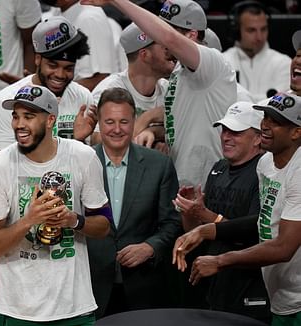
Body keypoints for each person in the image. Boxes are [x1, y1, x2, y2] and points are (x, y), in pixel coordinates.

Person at [0, 84, 112, 326]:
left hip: (76, 305)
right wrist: (29, 220)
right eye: (16, 116)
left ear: (51, 120)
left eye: (29, 117)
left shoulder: (83, 157)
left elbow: (104, 225)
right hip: (22, 310)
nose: (19, 124)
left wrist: (73, 220)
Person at [174, 91, 301, 326]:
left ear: (296, 132)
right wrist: (205, 230)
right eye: (265, 117)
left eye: (276, 122)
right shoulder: (266, 164)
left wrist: (221, 261)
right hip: (280, 295)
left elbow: (284, 247)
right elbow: (263, 221)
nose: (265, 125)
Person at [82, 0, 237, 188]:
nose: (161, 40)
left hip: (206, 185)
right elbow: (181, 125)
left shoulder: (212, 62)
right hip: (180, 183)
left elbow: (169, 38)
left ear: (192, 35)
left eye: (165, 31)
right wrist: (153, 130)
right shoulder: (179, 72)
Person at [88, 87, 182, 317]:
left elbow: (172, 222)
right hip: (90, 287)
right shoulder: (81, 162)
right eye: (109, 122)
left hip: (144, 287)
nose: (117, 129)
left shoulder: (160, 165)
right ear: (99, 123)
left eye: (124, 121)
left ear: (134, 122)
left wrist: (150, 247)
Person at [173, 101, 270, 322]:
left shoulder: (264, 172)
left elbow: (255, 231)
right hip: (211, 280)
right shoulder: (219, 168)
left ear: (257, 138)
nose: (226, 137)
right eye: (225, 130)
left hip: (247, 281)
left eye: (236, 132)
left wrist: (206, 217)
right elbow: (198, 231)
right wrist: (188, 210)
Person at [0, 15, 92, 152]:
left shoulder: (83, 97)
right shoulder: (7, 101)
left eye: (68, 68)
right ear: (37, 59)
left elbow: (89, 159)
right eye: (53, 66)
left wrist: (79, 141)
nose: (60, 75)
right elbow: (2, 166)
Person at [91, 23, 175, 115]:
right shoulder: (107, 93)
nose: (172, 51)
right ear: (145, 55)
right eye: (165, 47)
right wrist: (148, 118)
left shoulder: (169, 90)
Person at [40, 0, 119, 91]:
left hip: (83, 102)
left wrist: (49, 94)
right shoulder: (59, 12)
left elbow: (98, 80)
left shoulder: (89, 18)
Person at [223, 1, 291, 102]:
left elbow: (280, 104)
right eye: (251, 30)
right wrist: (266, 98)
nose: (259, 37)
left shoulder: (285, 63)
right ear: (237, 31)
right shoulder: (223, 61)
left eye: (263, 29)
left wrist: (238, 99)